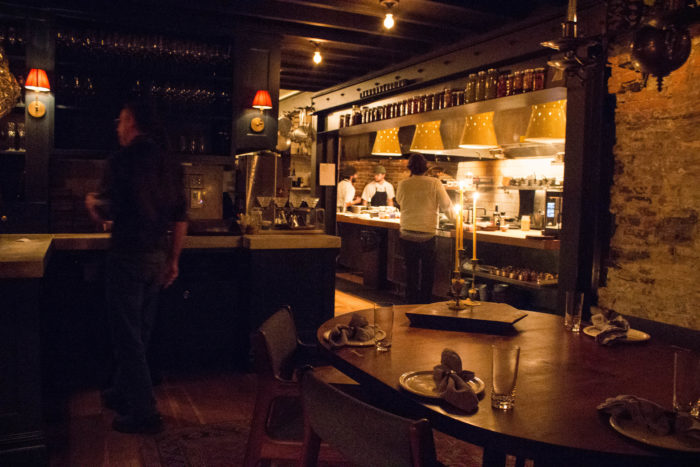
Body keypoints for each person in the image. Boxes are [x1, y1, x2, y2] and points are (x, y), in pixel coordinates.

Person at [85, 101, 187, 434]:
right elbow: (181, 217)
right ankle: (122, 389)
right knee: (140, 332)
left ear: (132, 123)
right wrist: (173, 260)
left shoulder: (121, 160)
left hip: (127, 256)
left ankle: (145, 412)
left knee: (127, 336)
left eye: (120, 121)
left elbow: (107, 211)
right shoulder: (170, 164)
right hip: (157, 257)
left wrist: (91, 203)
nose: (117, 128)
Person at [396, 153, 452, 304]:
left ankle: (410, 303)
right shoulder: (434, 183)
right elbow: (447, 206)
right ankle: (425, 303)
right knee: (427, 272)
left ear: (410, 168)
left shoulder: (403, 183)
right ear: (426, 168)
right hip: (427, 234)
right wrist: (459, 223)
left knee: (411, 272)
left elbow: (399, 201)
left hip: (407, 232)